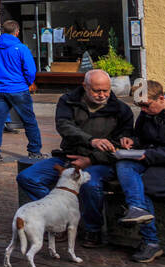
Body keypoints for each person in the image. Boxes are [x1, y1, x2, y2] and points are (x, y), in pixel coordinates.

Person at [15, 68, 132, 251]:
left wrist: (91, 159)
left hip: (99, 162)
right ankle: (57, 217)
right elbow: (64, 126)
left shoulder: (121, 110)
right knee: (27, 177)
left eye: (106, 90)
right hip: (68, 157)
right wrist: (91, 141)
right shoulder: (68, 100)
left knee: (90, 185)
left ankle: (93, 230)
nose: (102, 95)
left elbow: (121, 144)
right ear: (85, 86)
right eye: (97, 90)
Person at [108, 79, 165, 263]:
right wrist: (131, 142)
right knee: (124, 165)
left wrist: (151, 155)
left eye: (146, 106)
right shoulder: (147, 113)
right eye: (140, 107)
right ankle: (137, 208)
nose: (143, 111)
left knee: (141, 185)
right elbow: (140, 137)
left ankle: (151, 242)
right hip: (154, 159)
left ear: (161, 98)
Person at [0, 20, 43, 162]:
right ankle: (34, 151)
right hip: (18, 89)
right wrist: (26, 83)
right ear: (17, 32)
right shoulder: (21, 48)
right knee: (29, 121)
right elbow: (31, 70)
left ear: (3, 31)